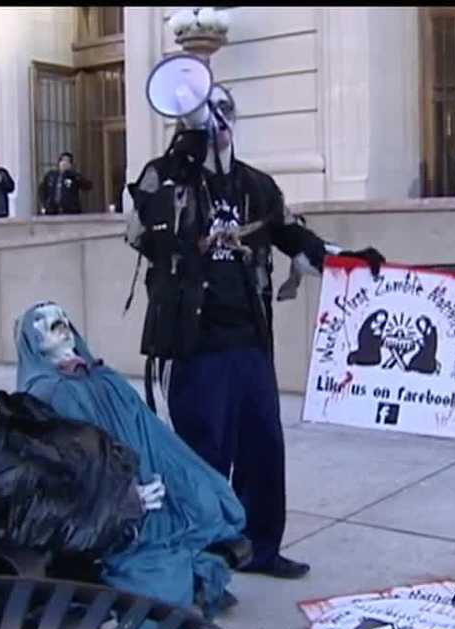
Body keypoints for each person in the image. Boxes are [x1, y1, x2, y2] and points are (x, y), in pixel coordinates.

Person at [126, 82, 386, 580]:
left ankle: (260, 548)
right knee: (204, 454)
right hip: (195, 342)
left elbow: (291, 233)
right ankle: (204, 561)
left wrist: (340, 259)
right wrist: (177, 168)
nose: (218, 120)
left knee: (263, 447)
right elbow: (140, 235)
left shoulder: (256, 185)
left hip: (249, 337)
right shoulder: (164, 177)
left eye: (225, 109)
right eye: (207, 110)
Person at [12, 301, 247, 617]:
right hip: (108, 506)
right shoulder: (49, 392)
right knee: (155, 560)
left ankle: (195, 575)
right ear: (33, 340)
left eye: (63, 317)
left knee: (207, 499)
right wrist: (125, 495)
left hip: (148, 481)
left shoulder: (103, 376)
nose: (62, 324)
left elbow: (151, 432)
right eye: (49, 323)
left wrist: (182, 474)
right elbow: (75, 462)